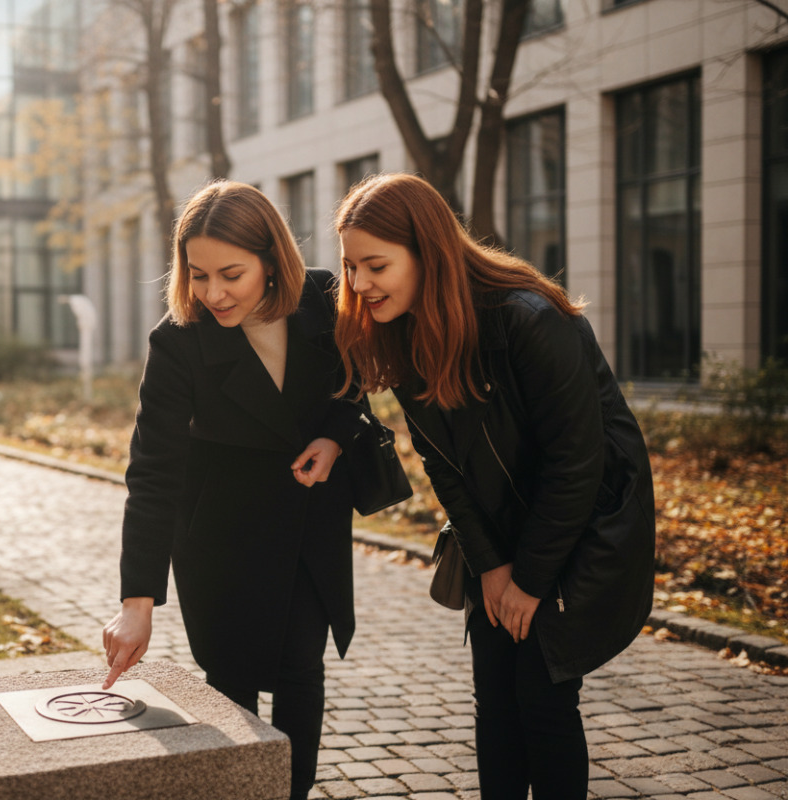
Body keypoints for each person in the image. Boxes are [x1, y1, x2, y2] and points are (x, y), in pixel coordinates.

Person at [332, 172, 655, 800]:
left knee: (542, 698)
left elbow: (577, 466)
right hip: (500, 540)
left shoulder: (529, 319)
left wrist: (530, 578)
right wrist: (491, 566)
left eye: (375, 265)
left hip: (580, 533)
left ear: (429, 253)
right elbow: (443, 467)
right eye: (350, 266)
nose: (359, 284)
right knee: (495, 702)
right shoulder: (400, 330)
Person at [102, 180, 370, 800]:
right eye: (198, 275)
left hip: (309, 526)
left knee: (302, 674)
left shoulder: (325, 299)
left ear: (272, 261)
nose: (213, 293)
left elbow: (354, 379)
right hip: (220, 541)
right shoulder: (179, 342)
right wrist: (137, 598)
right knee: (230, 683)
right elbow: (153, 470)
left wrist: (333, 437)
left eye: (231, 274)